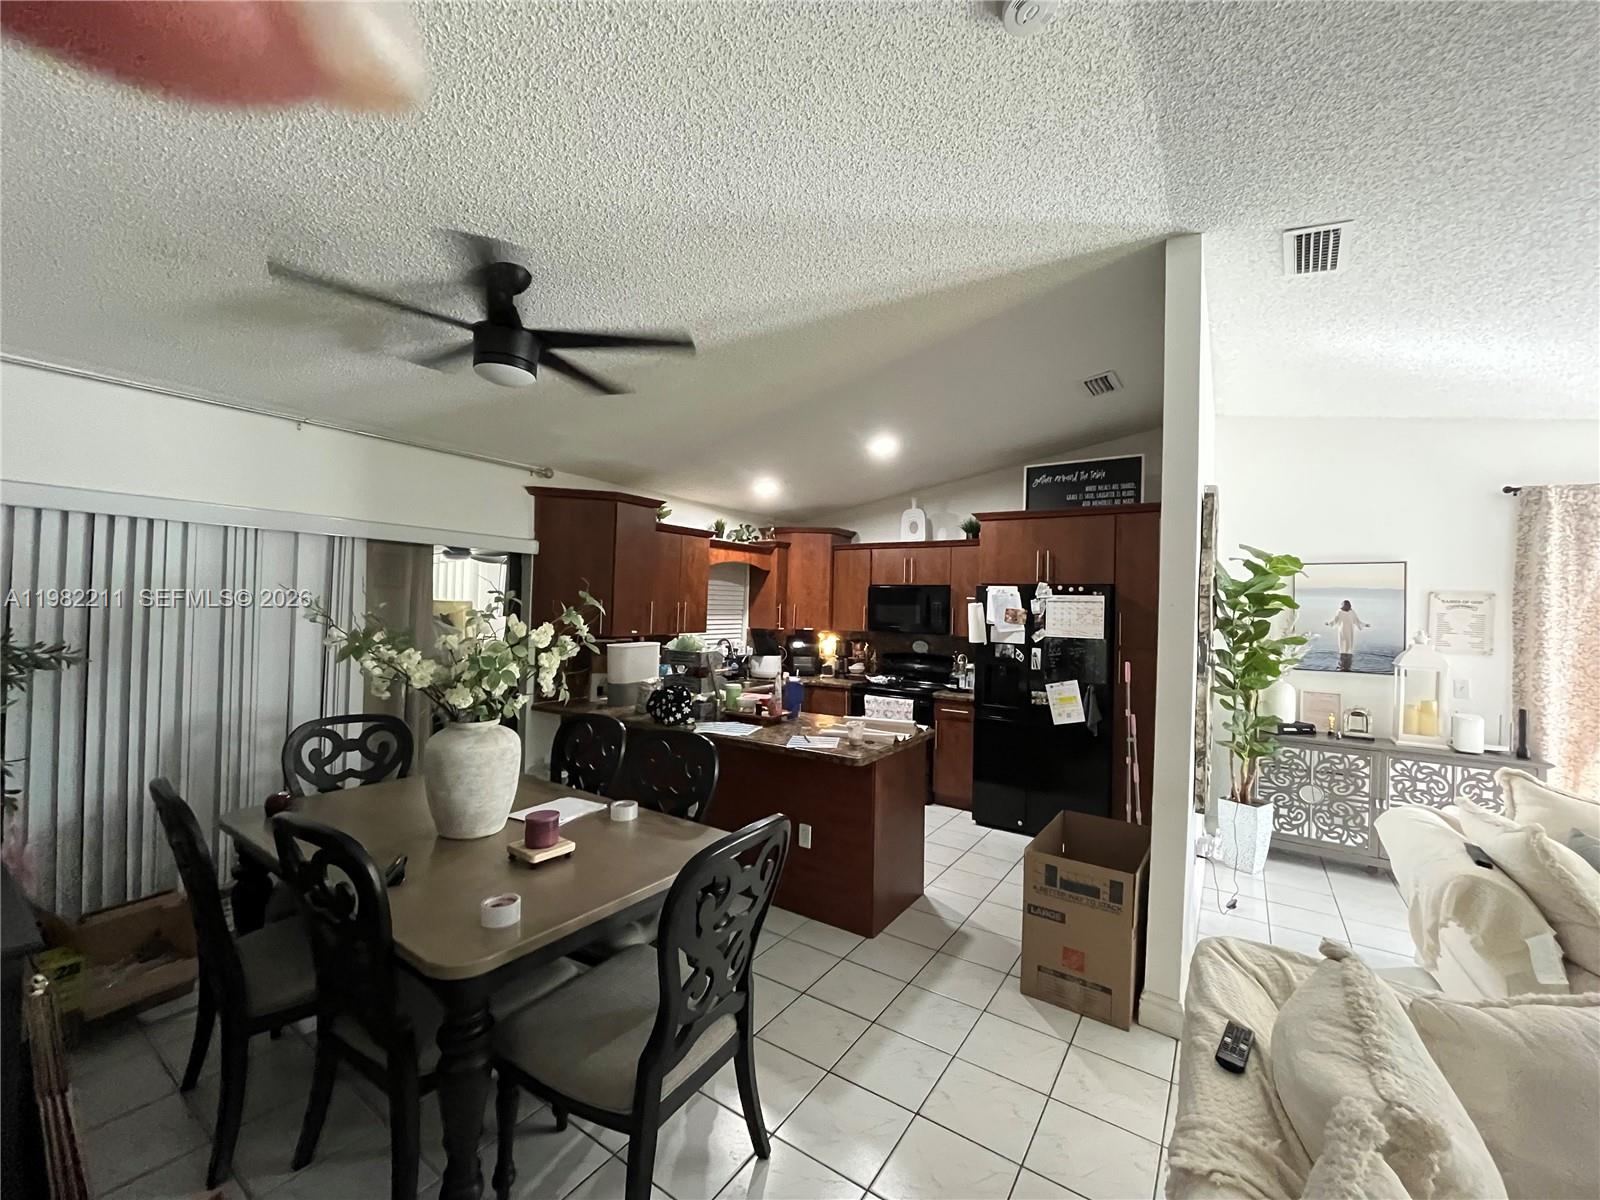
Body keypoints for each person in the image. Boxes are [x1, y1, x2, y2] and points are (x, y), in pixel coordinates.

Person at [1326, 600, 1370, 672]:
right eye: (1346, 605)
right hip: (1342, 631)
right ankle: (1342, 662)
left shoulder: (1352, 612)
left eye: (1349, 605)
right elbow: (1335, 620)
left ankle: (1347, 661)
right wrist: (1329, 623)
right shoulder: (1339, 612)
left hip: (1350, 631)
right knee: (1342, 644)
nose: (1348, 606)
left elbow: (1357, 621)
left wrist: (1365, 625)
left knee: (1349, 644)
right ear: (1343, 605)